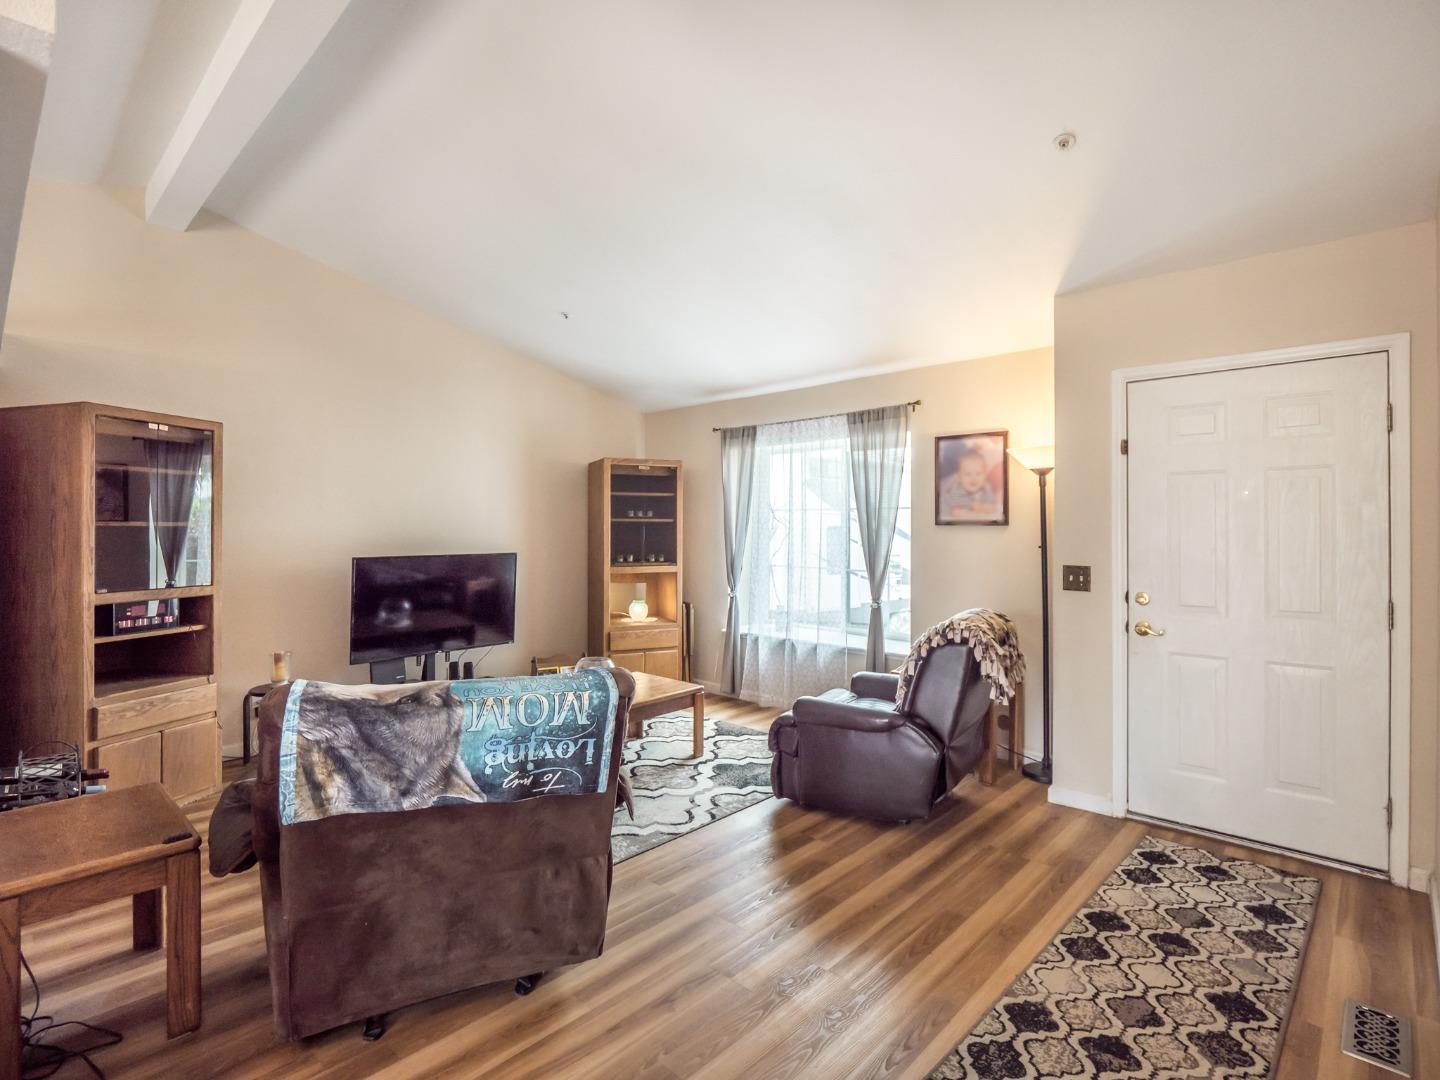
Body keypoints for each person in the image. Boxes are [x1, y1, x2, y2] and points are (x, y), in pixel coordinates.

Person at [941, 447, 999, 519]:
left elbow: (993, 505)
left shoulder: (986, 488)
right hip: (951, 514)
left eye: (978, 473)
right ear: (959, 477)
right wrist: (971, 504)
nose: (973, 478)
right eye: (968, 474)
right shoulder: (956, 488)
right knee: (956, 511)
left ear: (985, 475)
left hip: (976, 517)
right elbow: (951, 500)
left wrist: (986, 507)